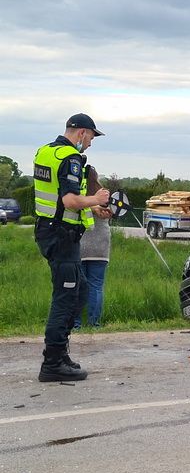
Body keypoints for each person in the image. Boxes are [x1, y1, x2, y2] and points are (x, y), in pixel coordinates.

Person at [33, 113, 109, 382]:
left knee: (82, 291)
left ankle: (60, 354)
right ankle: (52, 362)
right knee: (66, 298)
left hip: (50, 231)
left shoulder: (45, 152)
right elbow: (68, 200)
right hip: (61, 236)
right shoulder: (71, 158)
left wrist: (93, 206)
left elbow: (55, 195)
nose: (90, 144)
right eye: (91, 137)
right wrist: (97, 197)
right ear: (81, 133)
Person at [74, 164, 112, 329]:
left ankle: (76, 323)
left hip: (80, 245)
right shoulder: (104, 195)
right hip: (101, 247)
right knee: (96, 286)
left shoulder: (78, 194)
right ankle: (94, 323)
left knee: (77, 285)